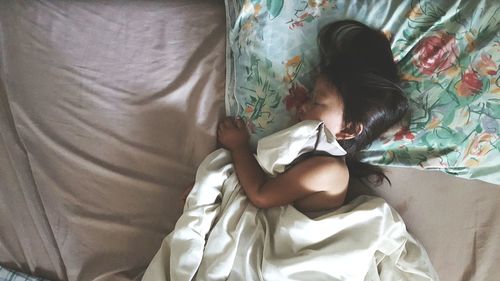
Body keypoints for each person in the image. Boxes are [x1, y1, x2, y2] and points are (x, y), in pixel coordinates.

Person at [185, 20, 409, 213]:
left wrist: (239, 147)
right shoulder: (310, 154)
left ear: (348, 129)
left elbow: (262, 195)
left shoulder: (330, 169)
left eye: (316, 102)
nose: (302, 106)